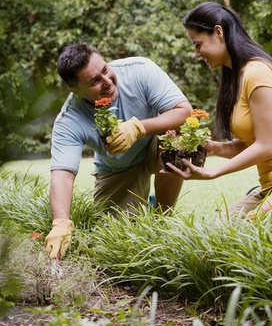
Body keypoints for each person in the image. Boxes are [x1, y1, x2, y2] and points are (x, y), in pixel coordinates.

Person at [164, 1, 272, 218]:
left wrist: (214, 172)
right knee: (213, 232)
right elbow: (250, 143)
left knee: (244, 235)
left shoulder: (258, 73)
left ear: (218, 32)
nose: (196, 54)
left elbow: (266, 146)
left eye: (198, 44)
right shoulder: (236, 78)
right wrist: (215, 148)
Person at [45, 41, 192, 259]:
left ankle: (162, 221)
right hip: (118, 168)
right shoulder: (69, 120)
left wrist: (138, 128)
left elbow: (184, 112)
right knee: (117, 245)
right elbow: (62, 175)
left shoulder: (139, 70)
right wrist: (60, 223)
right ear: (75, 90)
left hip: (154, 143)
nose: (107, 81)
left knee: (178, 139)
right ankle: (142, 207)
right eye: (95, 81)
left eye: (105, 69)